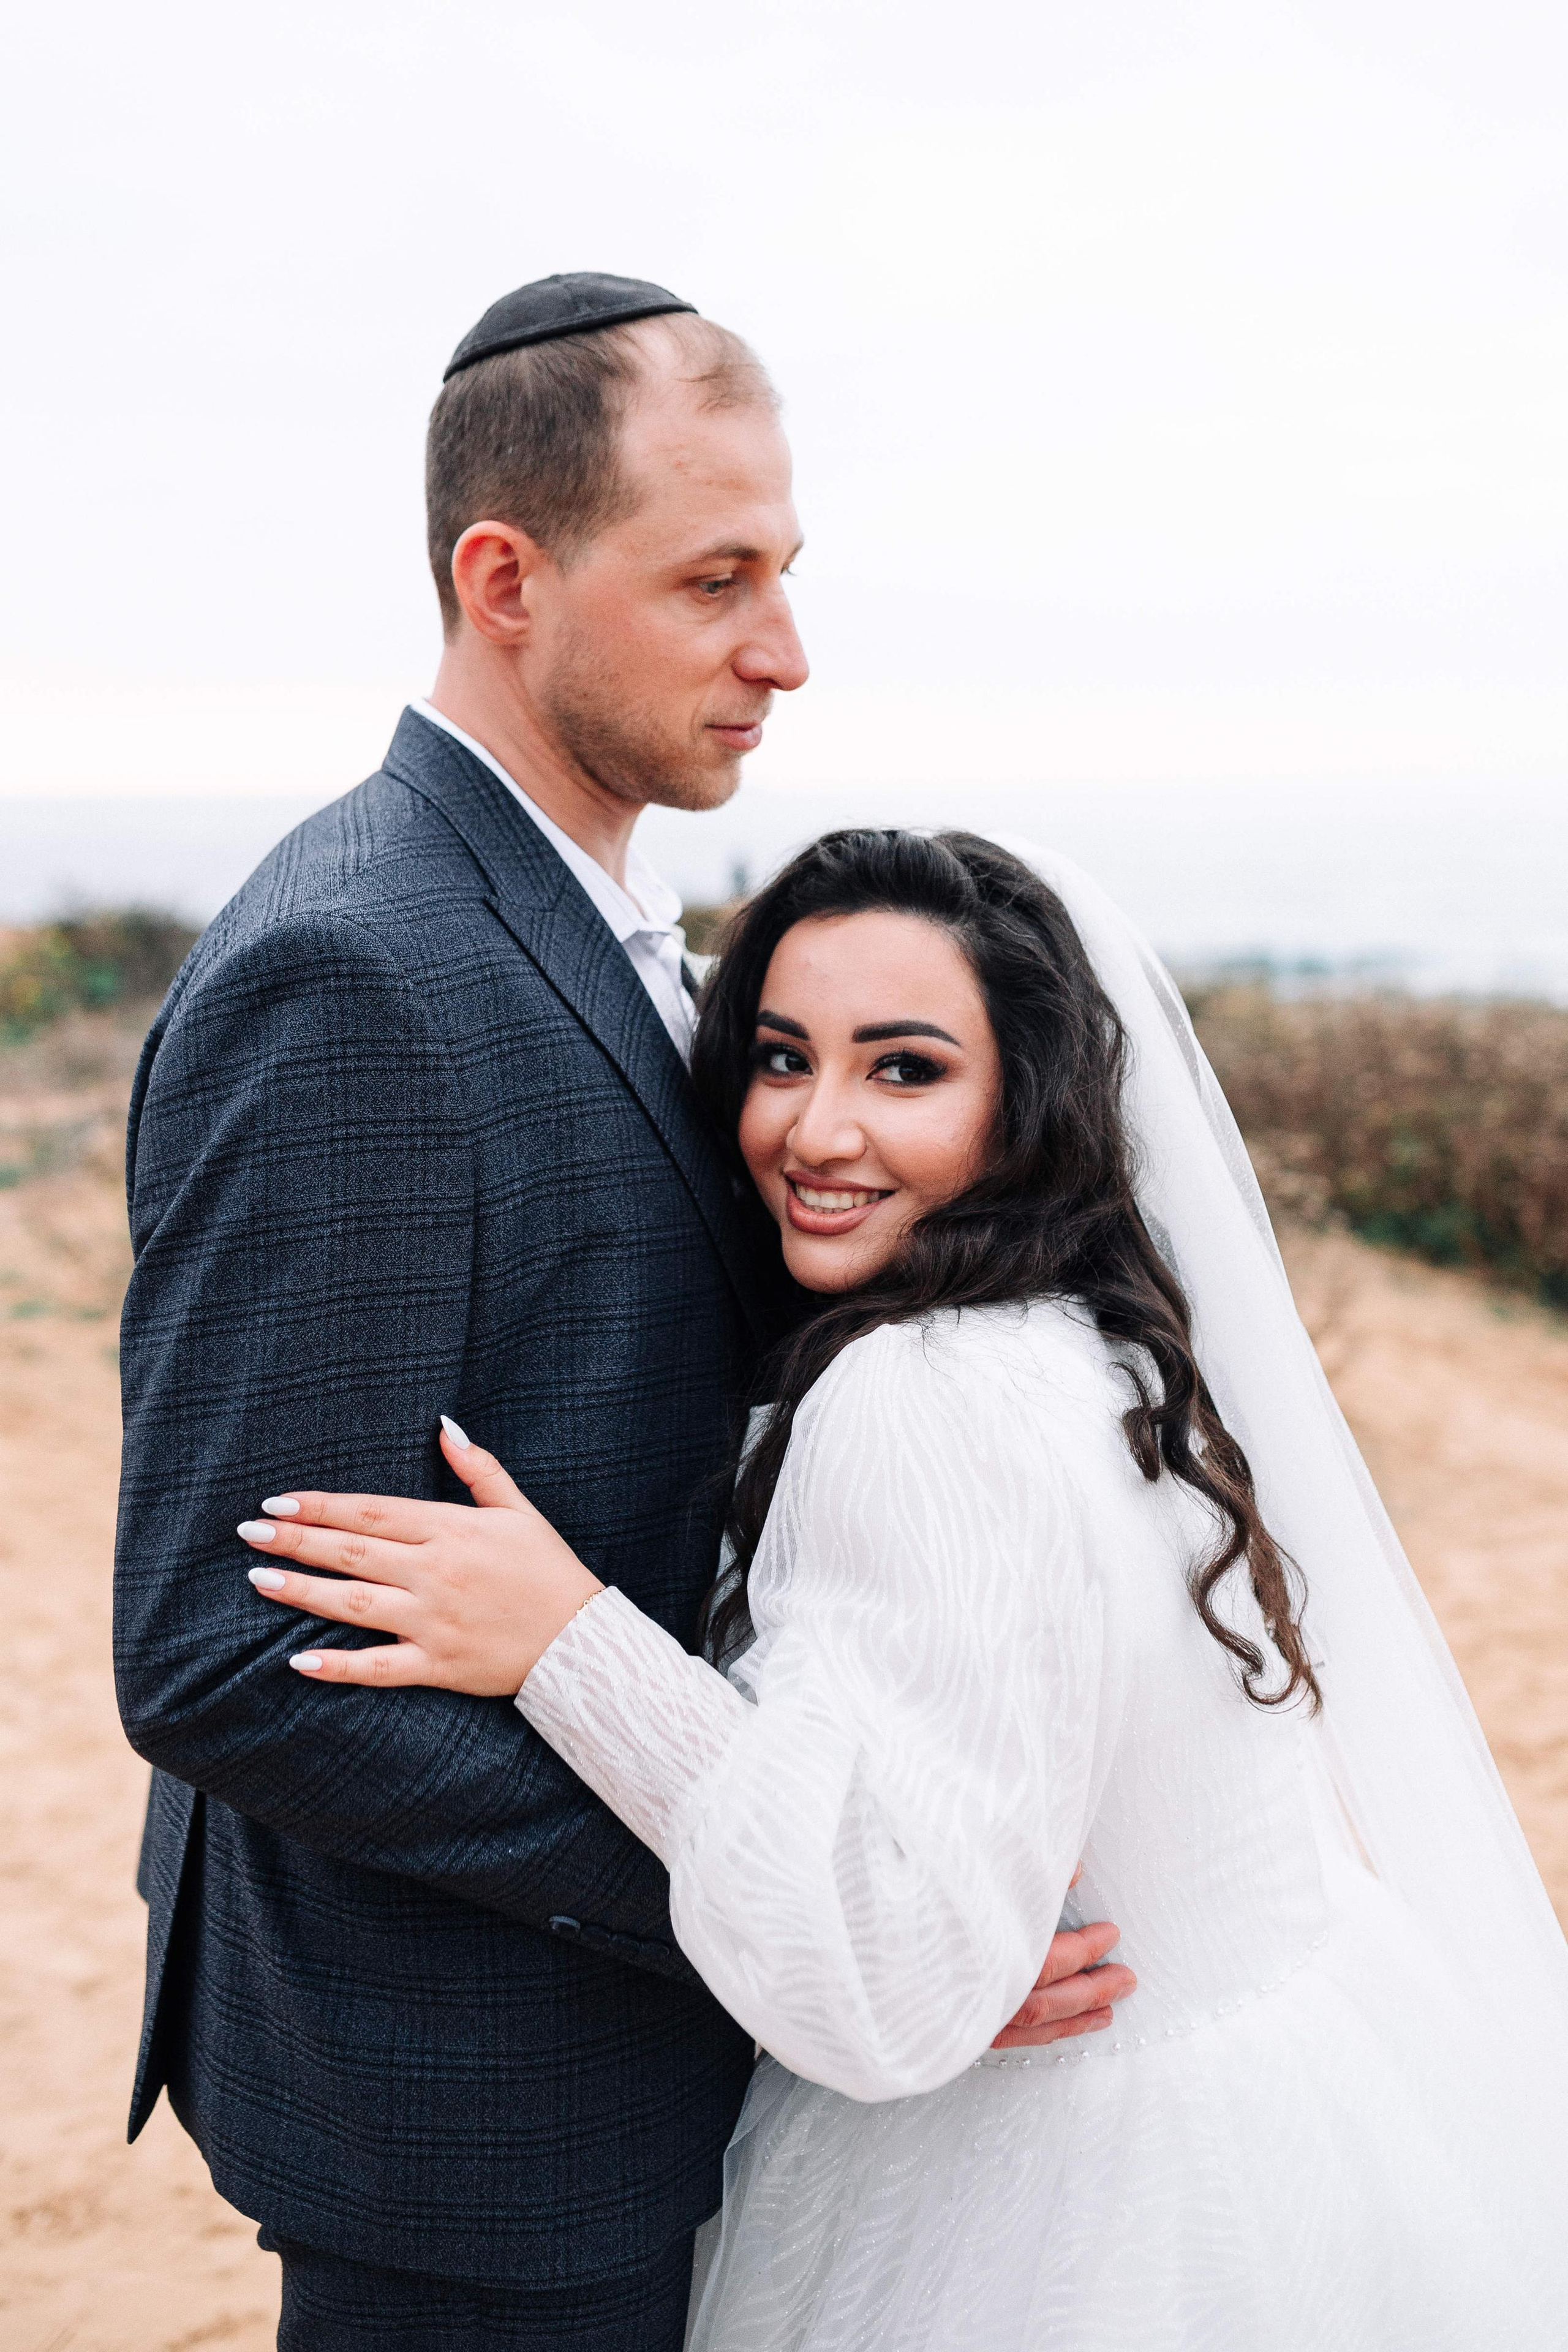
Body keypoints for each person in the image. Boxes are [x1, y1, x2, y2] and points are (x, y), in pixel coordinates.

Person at [114, 281, 1129, 2351]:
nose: (787, 649)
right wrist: (814, 1907)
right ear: (508, 581)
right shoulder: (356, 975)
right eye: (714, 581)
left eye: (786, 572)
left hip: (637, 2071)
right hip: (484, 2104)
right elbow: (223, 1654)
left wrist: (885, 1882)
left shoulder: (610, 927)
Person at [239, 826, 1568, 2348]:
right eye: (781, 1059)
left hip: (1060, 2206)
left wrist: (568, 1642)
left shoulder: (917, 1393)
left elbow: (891, 1971)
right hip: (1293, 2122)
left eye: (904, 1070)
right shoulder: (1097, 1345)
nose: (817, 1131)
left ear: (1023, 1100)